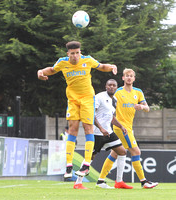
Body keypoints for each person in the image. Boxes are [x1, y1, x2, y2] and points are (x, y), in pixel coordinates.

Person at [37, 41, 117, 180]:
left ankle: (86, 164)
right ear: (68, 54)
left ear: (80, 52)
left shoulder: (88, 60)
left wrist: (111, 67)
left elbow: (101, 66)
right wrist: (40, 72)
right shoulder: (62, 62)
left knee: (88, 128)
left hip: (87, 99)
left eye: (77, 53)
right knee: (73, 129)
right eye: (72, 53)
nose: (75, 56)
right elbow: (51, 69)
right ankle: (68, 165)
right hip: (73, 100)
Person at [73, 79, 133, 189]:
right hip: (97, 133)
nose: (111, 87)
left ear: (116, 87)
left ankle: (118, 181)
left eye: (114, 85)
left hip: (108, 133)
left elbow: (111, 117)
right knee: (90, 157)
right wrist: (100, 128)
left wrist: (121, 126)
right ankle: (78, 183)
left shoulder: (114, 100)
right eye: (109, 85)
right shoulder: (99, 97)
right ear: (106, 86)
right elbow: (91, 114)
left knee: (122, 152)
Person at [113, 68, 158, 189]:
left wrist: (141, 107)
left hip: (128, 128)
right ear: (123, 78)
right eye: (126, 75)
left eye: (131, 76)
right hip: (121, 128)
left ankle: (101, 180)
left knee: (114, 153)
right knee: (136, 152)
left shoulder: (138, 92)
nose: (129, 77)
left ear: (134, 78)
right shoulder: (117, 92)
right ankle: (144, 182)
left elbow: (147, 108)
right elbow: (110, 109)